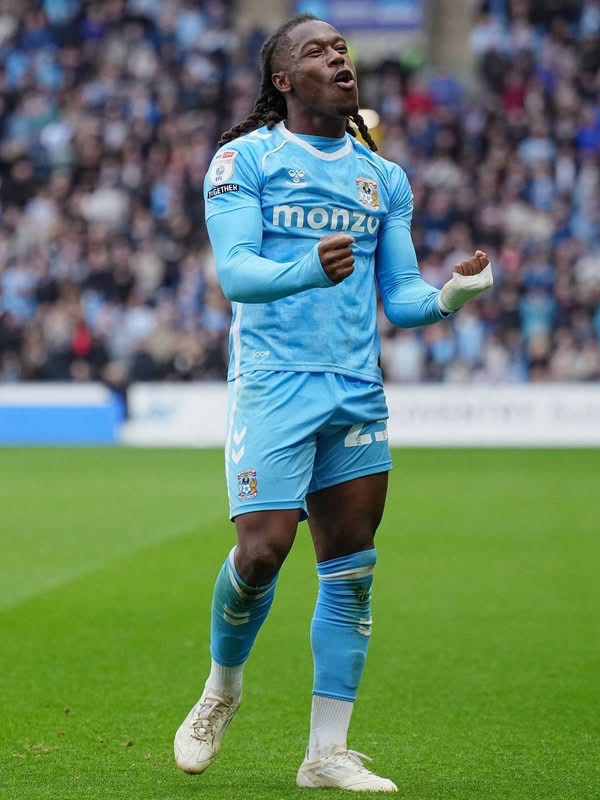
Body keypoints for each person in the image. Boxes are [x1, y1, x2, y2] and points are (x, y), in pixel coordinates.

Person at [174, 14, 493, 792]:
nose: (338, 57)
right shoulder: (244, 159)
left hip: (355, 388)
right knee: (261, 552)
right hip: (274, 380)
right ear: (283, 79)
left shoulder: (383, 178)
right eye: (317, 51)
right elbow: (236, 273)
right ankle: (221, 690)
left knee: (351, 570)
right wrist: (307, 271)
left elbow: (402, 296)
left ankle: (325, 754)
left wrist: (452, 294)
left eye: (341, 48)